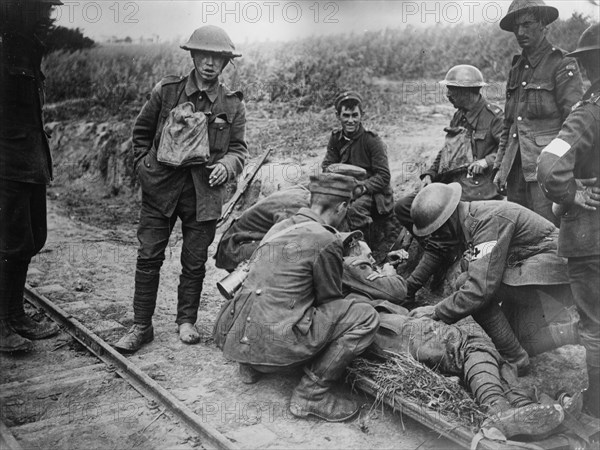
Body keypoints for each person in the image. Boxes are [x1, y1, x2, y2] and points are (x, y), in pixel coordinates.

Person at [114, 25, 248, 353]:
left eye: (218, 57)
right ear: (192, 54)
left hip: (203, 193)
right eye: (204, 54)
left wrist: (226, 166)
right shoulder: (168, 91)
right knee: (148, 256)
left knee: (194, 260)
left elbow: (239, 150)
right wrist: (145, 170)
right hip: (161, 188)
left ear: (226, 63)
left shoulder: (232, 105)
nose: (210, 63)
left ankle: (185, 320)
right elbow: (141, 133)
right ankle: (141, 325)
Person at [214, 173, 380, 422]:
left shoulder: (279, 227)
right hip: (277, 352)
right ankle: (311, 394)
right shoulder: (326, 239)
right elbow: (330, 300)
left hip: (238, 341)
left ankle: (249, 366)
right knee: (364, 315)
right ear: (342, 207)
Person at [407, 183, 580, 376]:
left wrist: (436, 311)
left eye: (437, 231)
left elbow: (479, 289)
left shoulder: (488, 220)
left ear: (448, 221)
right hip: (533, 270)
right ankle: (578, 331)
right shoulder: (473, 218)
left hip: (553, 272)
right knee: (519, 340)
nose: (437, 238)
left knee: (468, 285)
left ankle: (515, 360)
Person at [394, 64, 503, 302]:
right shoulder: (458, 115)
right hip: (448, 187)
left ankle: (412, 286)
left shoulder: (494, 117)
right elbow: (447, 151)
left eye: (452, 90)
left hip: (477, 192)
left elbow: (508, 151)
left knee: (443, 231)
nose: (448, 95)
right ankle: (443, 251)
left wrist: (486, 161)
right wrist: (429, 175)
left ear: (468, 91)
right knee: (404, 206)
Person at [370, 310, 566, 440]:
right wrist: (388, 272)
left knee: (482, 345)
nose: (371, 259)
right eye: (367, 255)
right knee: (468, 344)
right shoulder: (352, 269)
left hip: (399, 322)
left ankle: (523, 408)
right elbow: (394, 289)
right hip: (391, 327)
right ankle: (497, 409)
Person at [537, 23, 600, 418]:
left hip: (590, 238)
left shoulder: (588, 114)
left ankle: (595, 409)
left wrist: (571, 195)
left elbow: (548, 164)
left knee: (594, 326)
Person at [0, 0, 62, 353]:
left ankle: (15, 314)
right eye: (38, 9)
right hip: (7, 164)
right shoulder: (5, 48)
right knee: (7, 244)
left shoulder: (27, 50)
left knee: (31, 238)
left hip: (30, 162)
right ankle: (2, 323)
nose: (46, 17)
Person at [492, 0, 583, 227]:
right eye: (516, 27)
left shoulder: (561, 63)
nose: (520, 32)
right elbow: (509, 124)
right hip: (516, 171)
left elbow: (574, 125)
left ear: (544, 25)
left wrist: (566, 171)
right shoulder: (516, 68)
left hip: (545, 171)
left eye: (527, 24)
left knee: (547, 233)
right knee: (520, 232)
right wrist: (500, 166)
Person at [322, 91, 394, 242]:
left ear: (362, 115)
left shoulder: (371, 140)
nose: (350, 121)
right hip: (345, 189)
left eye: (355, 115)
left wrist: (362, 188)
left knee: (354, 210)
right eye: (346, 115)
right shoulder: (336, 138)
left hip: (373, 192)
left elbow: (383, 176)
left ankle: (364, 249)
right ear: (338, 116)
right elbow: (327, 165)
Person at [214, 185, 310, 272]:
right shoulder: (298, 208)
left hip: (239, 241)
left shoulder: (303, 192)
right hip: (235, 247)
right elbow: (289, 243)